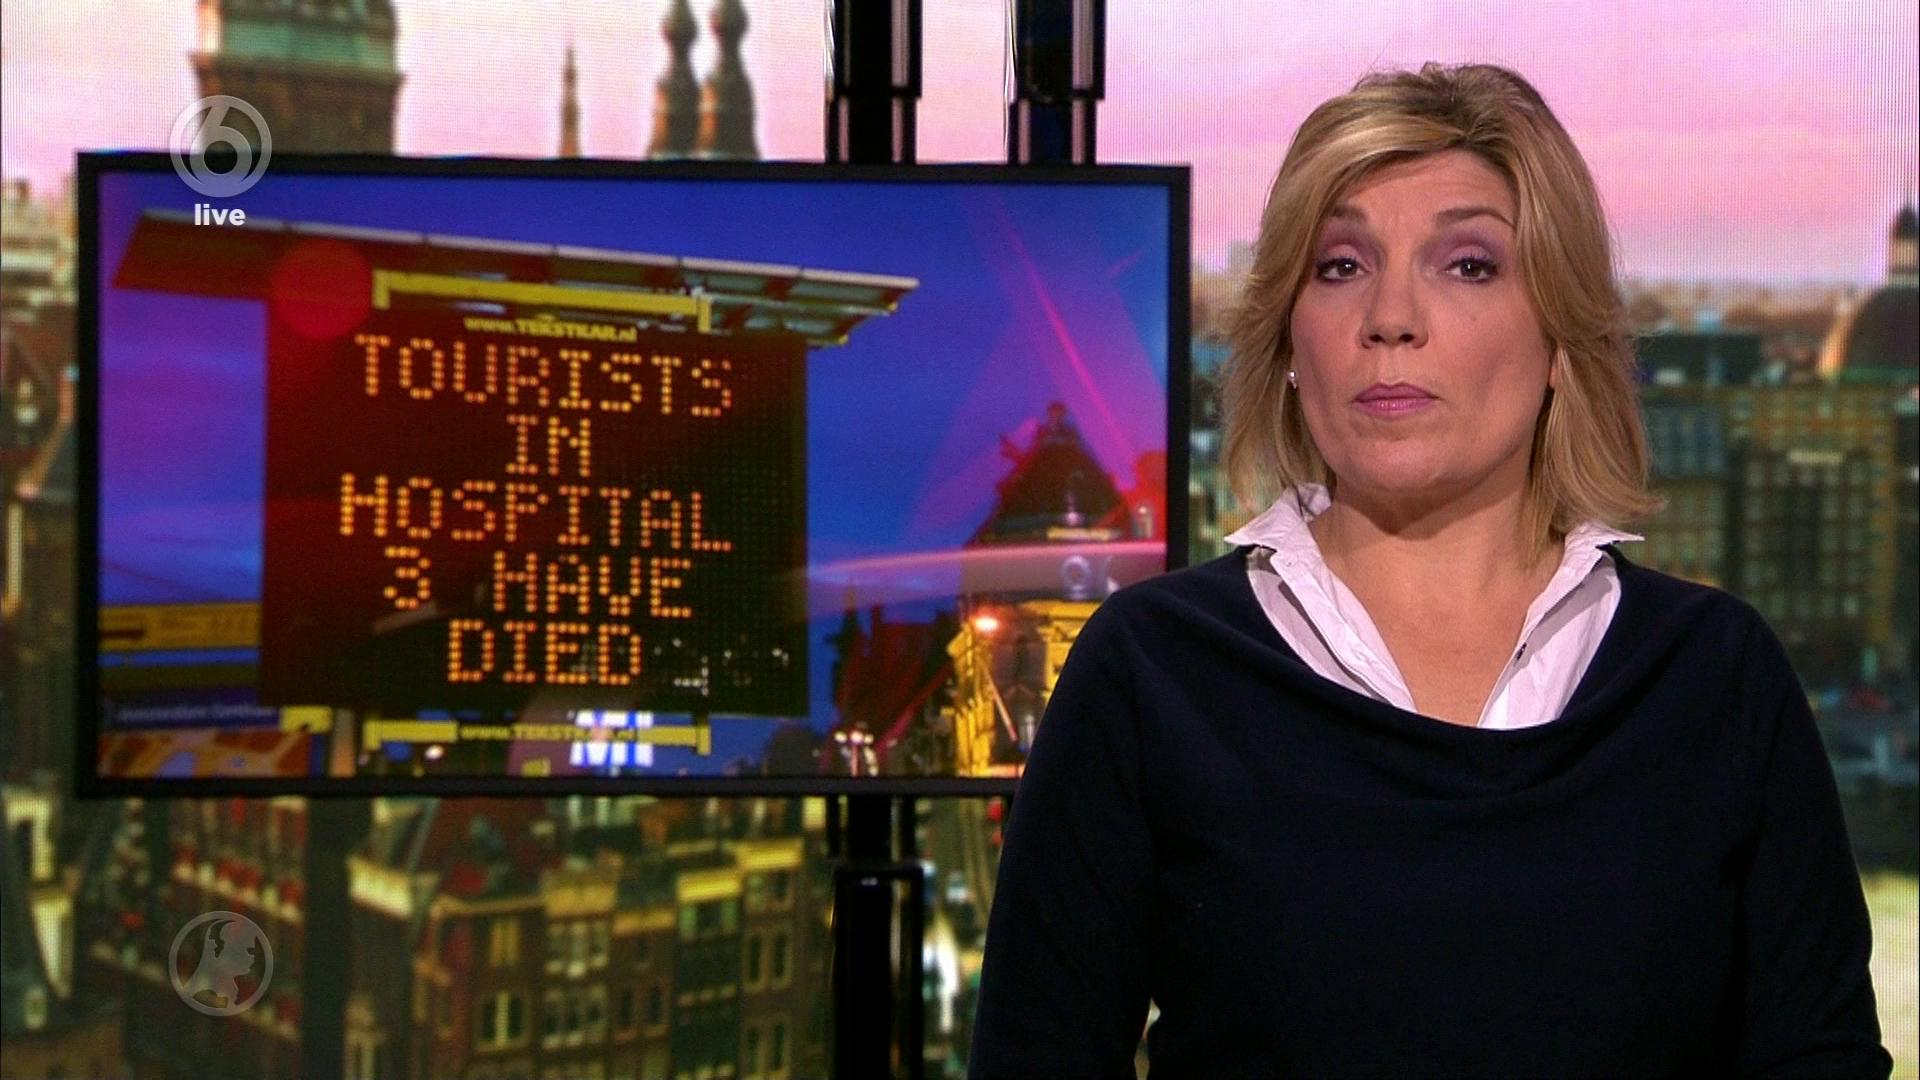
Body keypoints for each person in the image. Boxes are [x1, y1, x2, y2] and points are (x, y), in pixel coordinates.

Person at [968, 63, 1891, 1078]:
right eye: (1340, 265)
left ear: (1561, 340)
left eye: (1468, 265)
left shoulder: (1717, 680)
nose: (1391, 315)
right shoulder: (1152, 673)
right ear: (1288, 342)